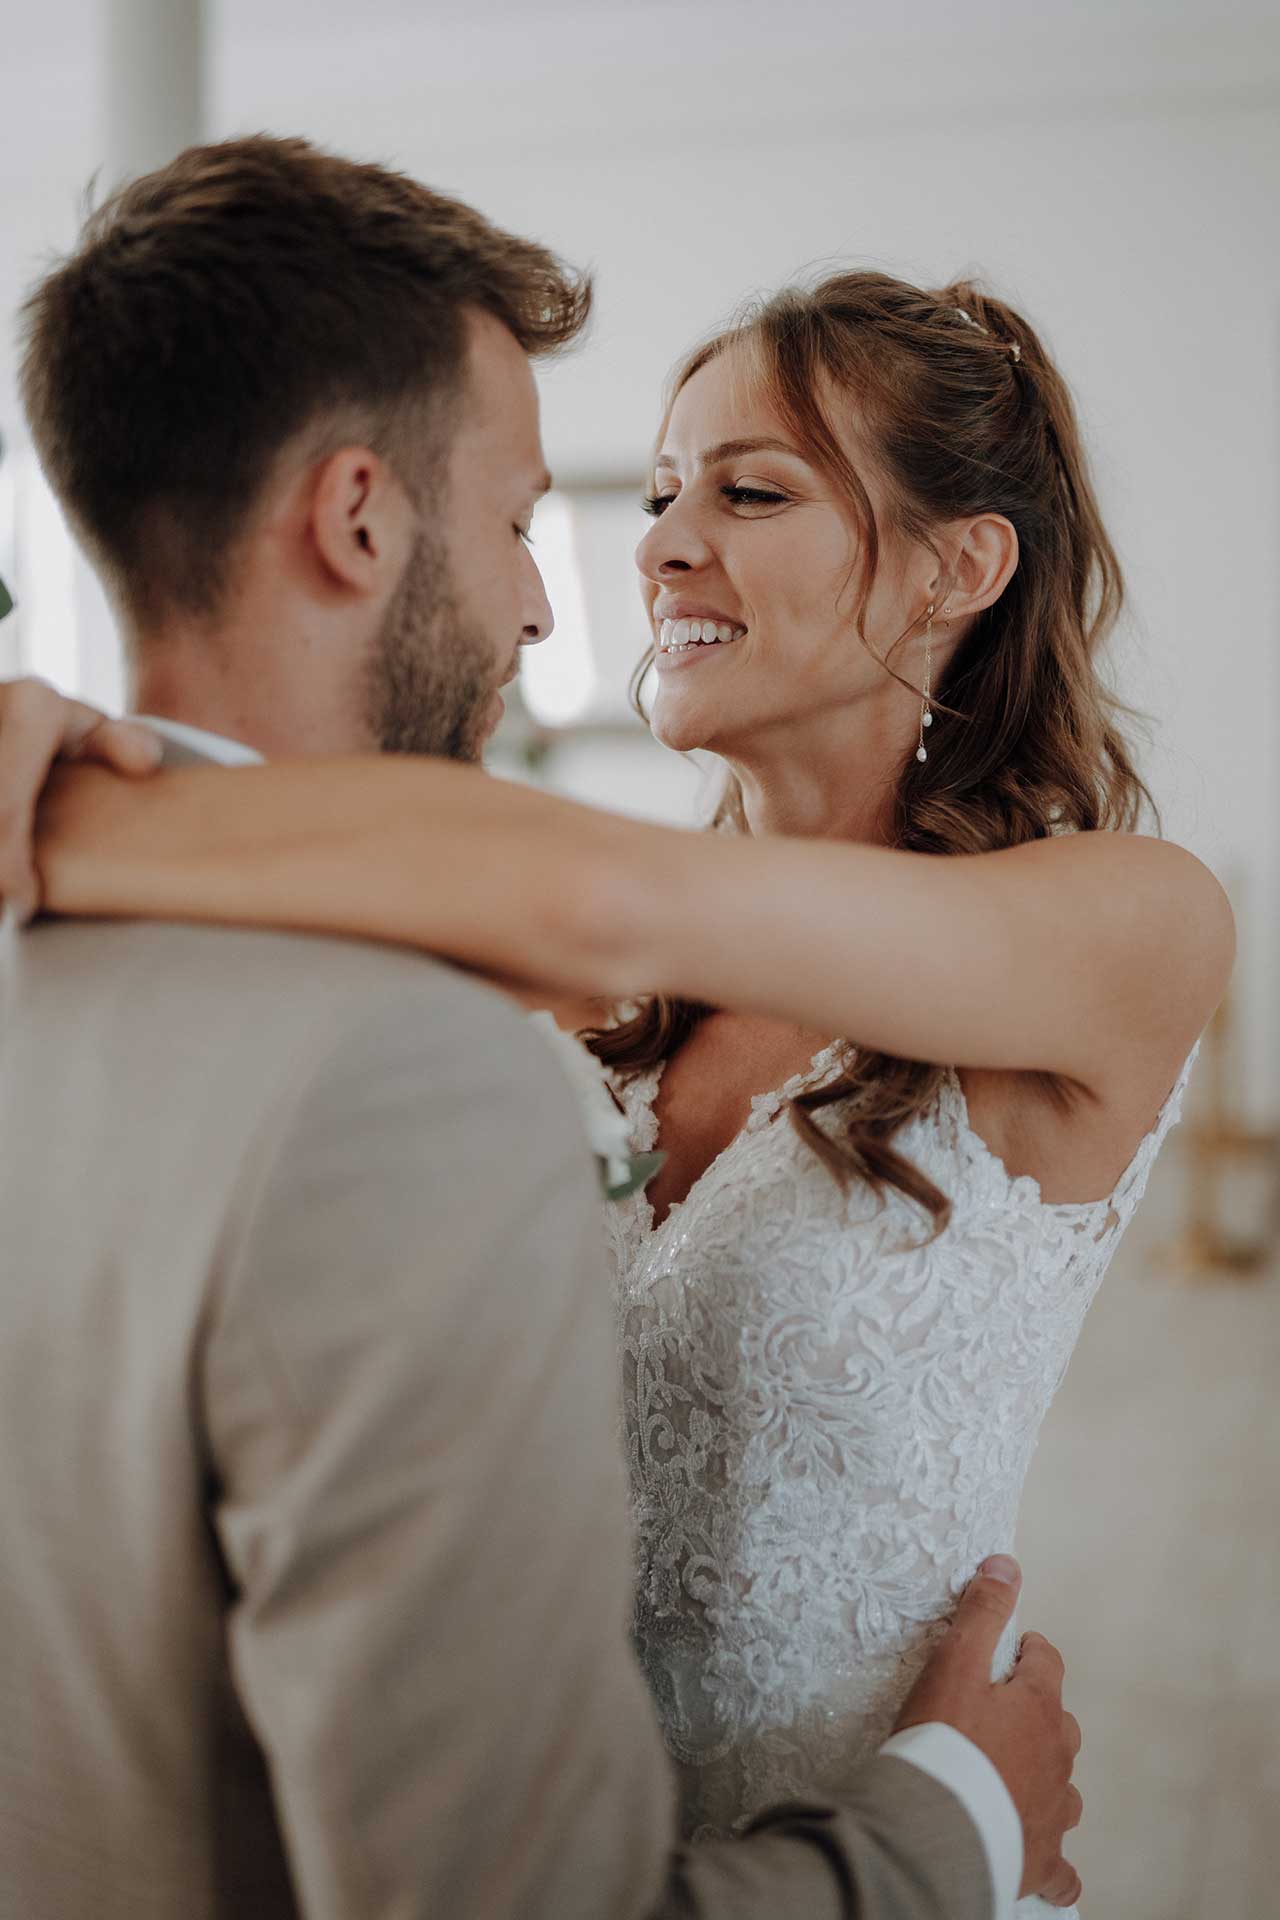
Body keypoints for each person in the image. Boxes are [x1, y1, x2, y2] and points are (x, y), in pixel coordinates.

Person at [0, 136, 1088, 1920]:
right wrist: (954, 1820)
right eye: (542, 516)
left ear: (961, 565)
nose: (605, 567)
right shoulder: (473, 1035)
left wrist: (103, 799)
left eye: (746, 493)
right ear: (358, 518)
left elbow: (581, 892)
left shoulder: (1117, 922)